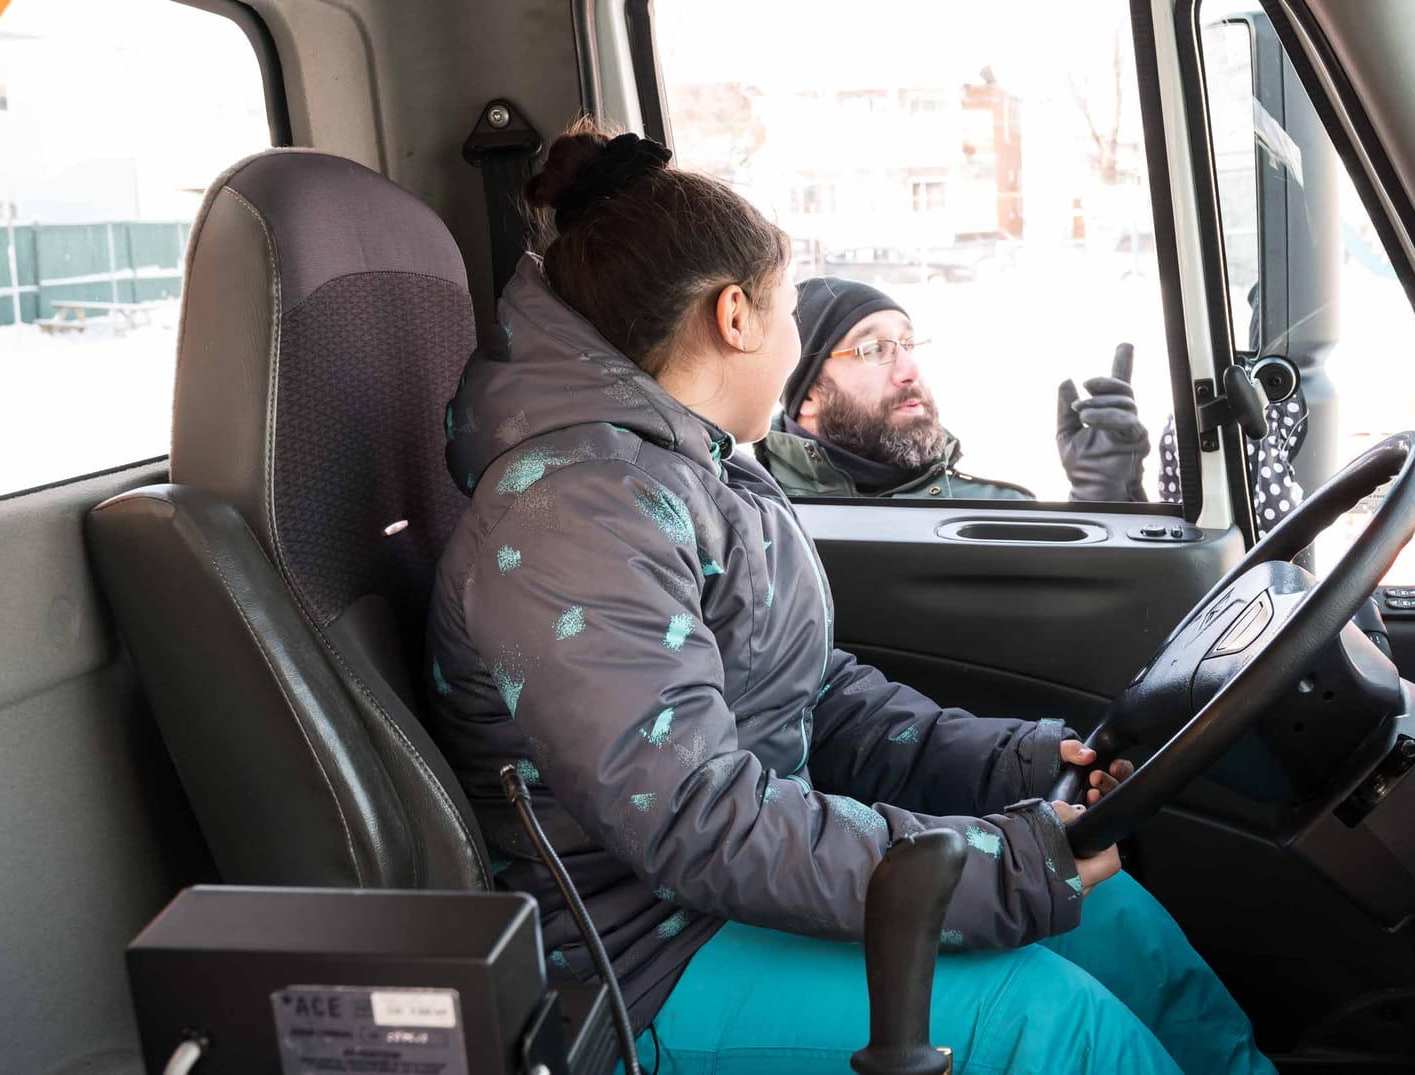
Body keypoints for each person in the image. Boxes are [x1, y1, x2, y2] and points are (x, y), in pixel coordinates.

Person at [425, 121, 1274, 1075]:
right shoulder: (568, 516)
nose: (791, 335)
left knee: (1116, 917)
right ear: (736, 316)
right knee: (1047, 1024)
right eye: (790, 306)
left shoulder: (691, 472)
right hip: (643, 959)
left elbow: (809, 695)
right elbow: (700, 818)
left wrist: (1016, 767)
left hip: (723, 896)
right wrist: (1003, 862)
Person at [756, 276, 1153, 501]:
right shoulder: (746, 516)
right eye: (874, 348)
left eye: (908, 345)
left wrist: (1108, 495)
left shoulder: (991, 515)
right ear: (807, 393)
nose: (909, 370)